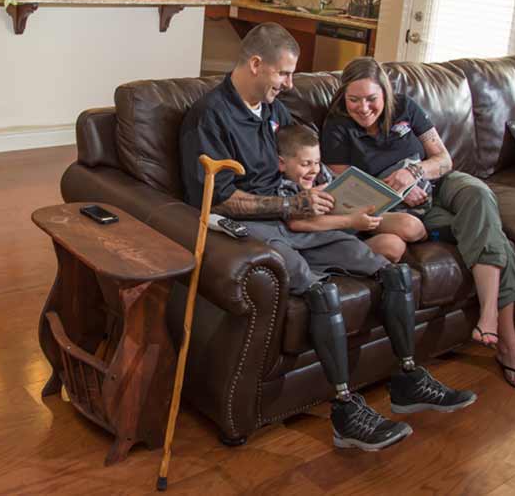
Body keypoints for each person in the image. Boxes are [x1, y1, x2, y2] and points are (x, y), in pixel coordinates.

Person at [179, 23, 477, 453]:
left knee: (391, 273)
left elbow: (303, 165)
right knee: (323, 294)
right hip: (256, 228)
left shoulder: (274, 111)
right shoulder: (210, 117)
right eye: (284, 74)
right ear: (256, 64)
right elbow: (216, 201)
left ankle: (407, 378)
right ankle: (344, 410)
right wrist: (290, 207)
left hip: (297, 215)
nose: (289, 83)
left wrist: (316, 191)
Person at [321, 57, 515, 392]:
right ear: (342, 97)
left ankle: (489, 315)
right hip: (398, 204)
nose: (363, 108)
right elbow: (346, 190)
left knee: (478, 195)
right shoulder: (337, 127)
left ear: (386, 94)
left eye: (371, 99)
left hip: (440, 184)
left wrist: (414, 172)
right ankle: (506, 341)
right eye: (354, 100)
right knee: (495, 238)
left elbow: (443, 159)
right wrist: (397, 192)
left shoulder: (407, 107)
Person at [275, 124, 411, 264]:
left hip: (348, 222)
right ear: (282, 163)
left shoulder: (321, 172)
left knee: (410, 225)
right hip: (325, 240)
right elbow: (296, 223)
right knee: (393, 246)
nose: (314, 170)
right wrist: (352, 220)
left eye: (316, 162)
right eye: (305, 164)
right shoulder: (283, 188)